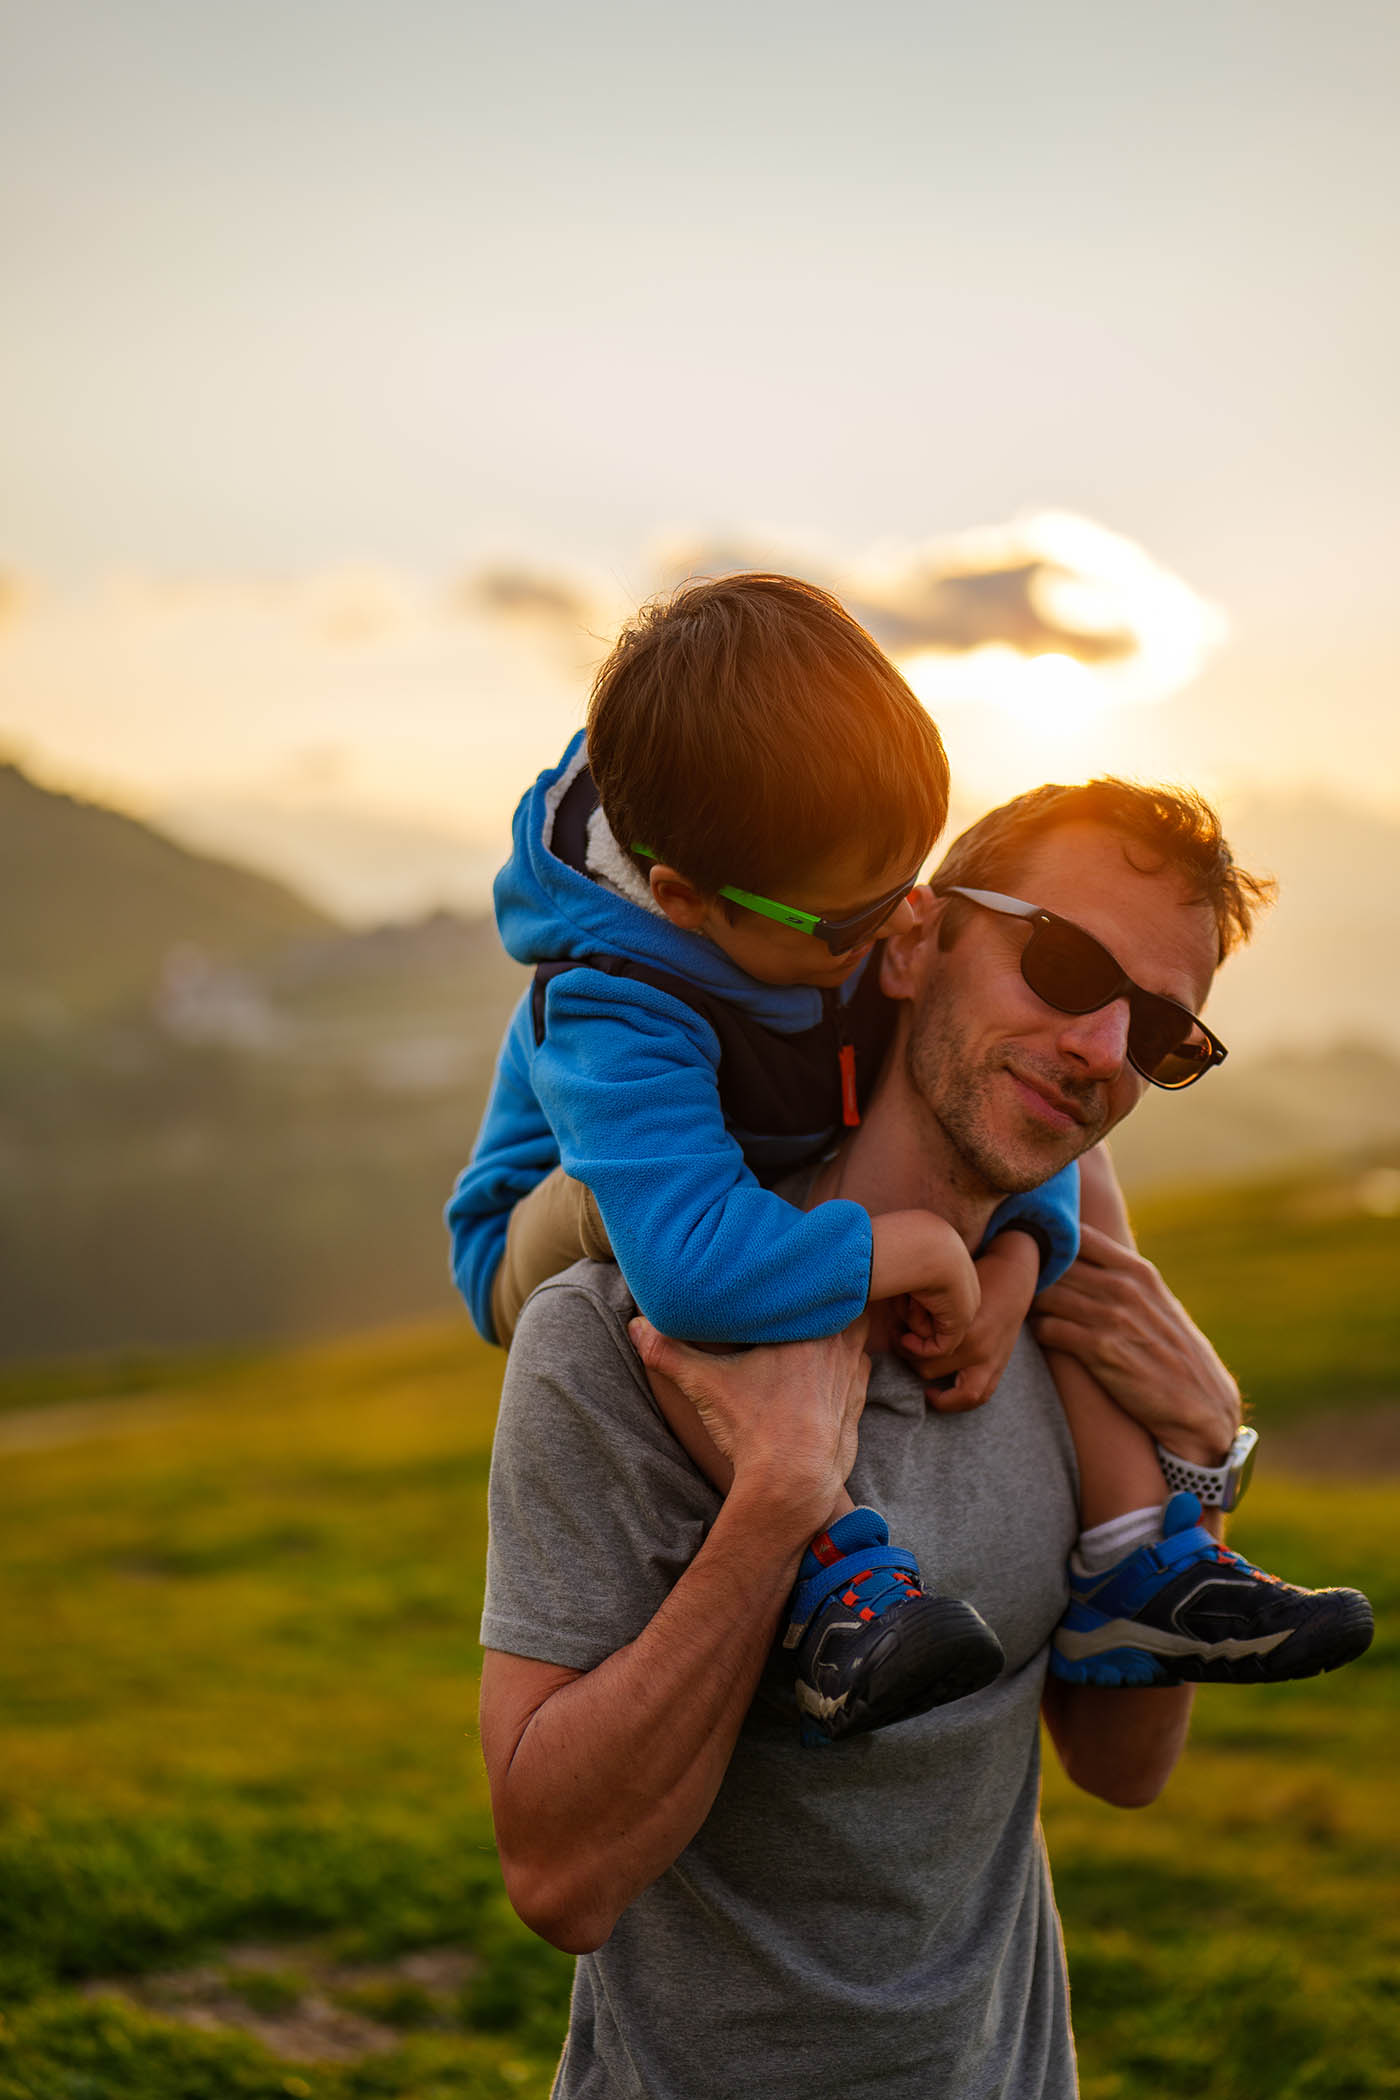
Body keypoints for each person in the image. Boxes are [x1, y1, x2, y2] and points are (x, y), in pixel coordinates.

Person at [475, 782, 1372, 2099]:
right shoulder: (614, 1339)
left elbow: (1123, 1766)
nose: (1101, 1049)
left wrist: (1196, 1455)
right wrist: (778, 1502)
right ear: (913, 940)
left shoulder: (1066, 1331)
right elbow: (561, 1878)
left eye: (1165, 1036)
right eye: (1063, 965)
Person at [448, 576, 1357, 1734]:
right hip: (540, 1215)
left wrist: (1020, 1267)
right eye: (850, 920)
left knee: (1051, 1103)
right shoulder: (615, 1002)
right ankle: (831, 1574)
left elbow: (1018, 1100)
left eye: (903, 885)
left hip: (744, 1147)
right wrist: (920, 1248)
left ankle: (1141, 1560)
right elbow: (689, 1271)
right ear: (684, 901)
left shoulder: (812, 905)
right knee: (664, 1249)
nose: (890, 927)